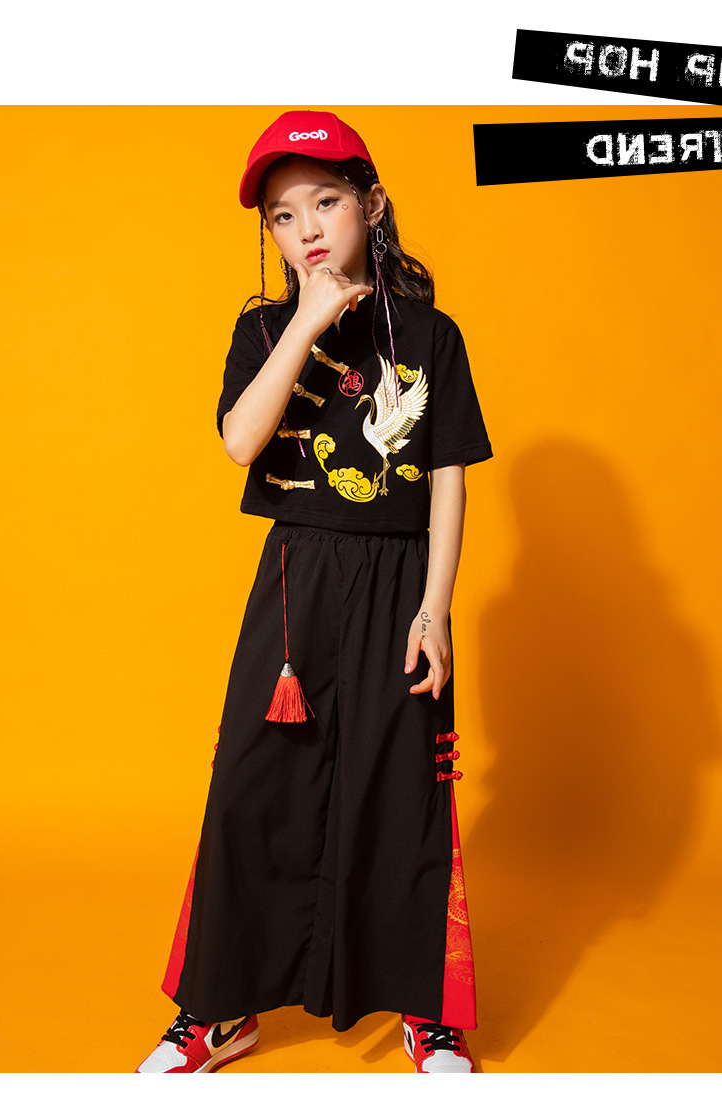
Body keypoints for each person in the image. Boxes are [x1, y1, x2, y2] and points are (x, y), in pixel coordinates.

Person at [136, 109, 493, 1075]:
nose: (307, 229)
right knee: (252, 787)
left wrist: (435, 609)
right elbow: (240, 442)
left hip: (399, 583)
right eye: (284, 216)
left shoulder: (431, 334)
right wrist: (305, 321)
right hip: (296, 581)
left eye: (326, 202)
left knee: (402, 785)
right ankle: (221, 1009)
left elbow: (449, 476)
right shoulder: (262, 329)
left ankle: (425, 1008)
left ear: (370, 205)